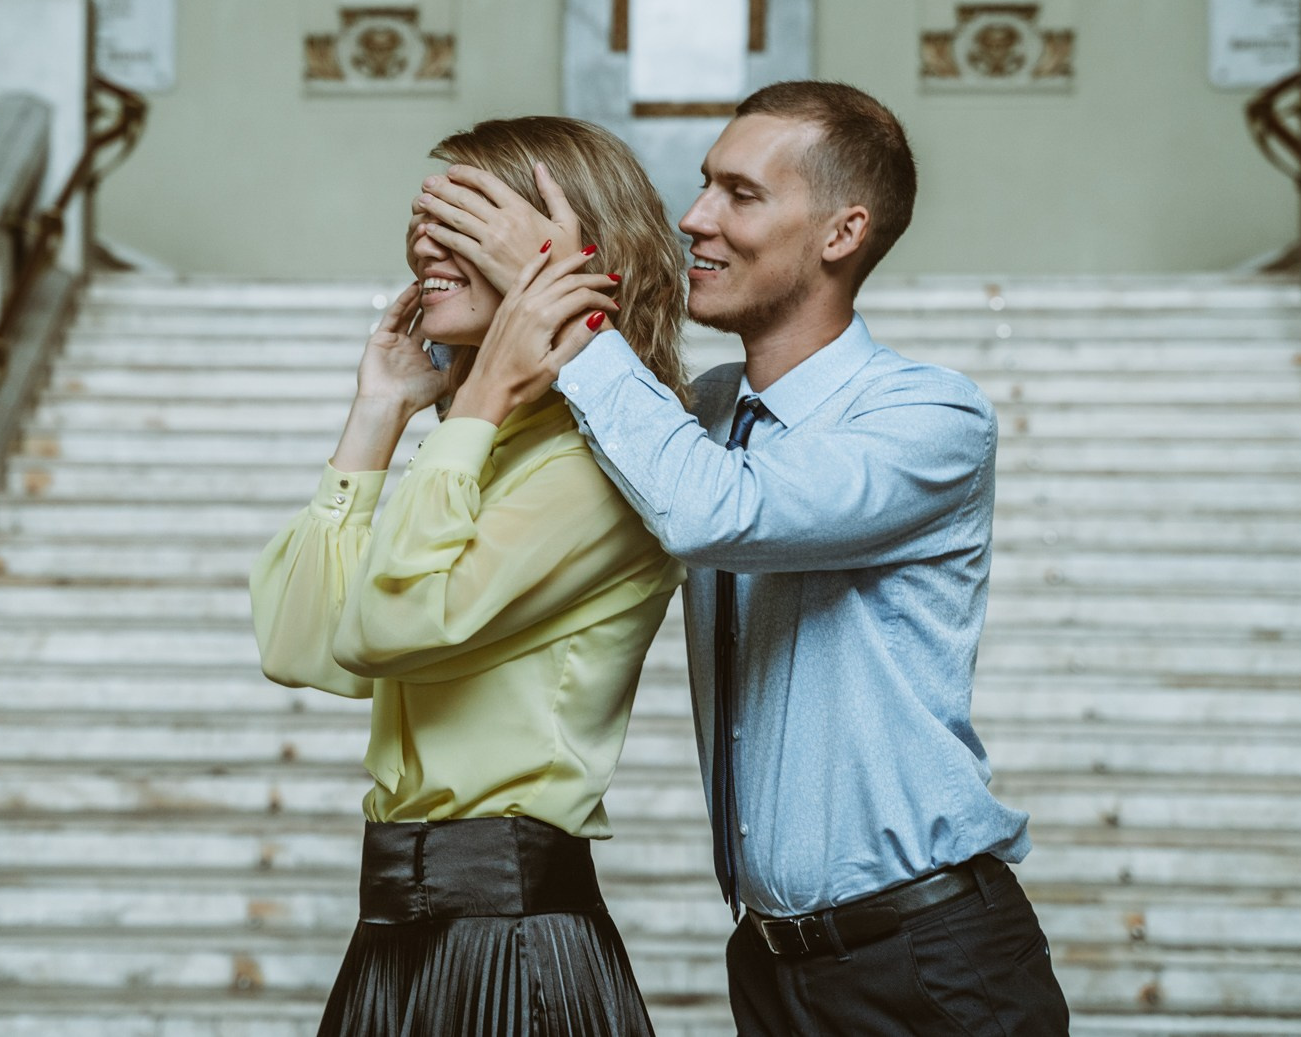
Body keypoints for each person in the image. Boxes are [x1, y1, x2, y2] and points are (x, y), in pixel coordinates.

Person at [411, 81, 1071, 1035]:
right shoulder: (705, 412)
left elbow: (717, 509)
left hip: (931, 961)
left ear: (843, 233)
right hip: (769, 967)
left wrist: (557, 298)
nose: (694, 218)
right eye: (701, 186)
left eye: (740, 193)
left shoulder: (930, 417)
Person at [249, 115, 689, 1037]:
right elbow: (299, 646)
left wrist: (480, 394)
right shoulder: (473, 450)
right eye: (423, 215)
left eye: (465, 217)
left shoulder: (598, 465)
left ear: (562, 258)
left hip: (513, 943)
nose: (423, 243)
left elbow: (385, 627)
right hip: (395, 936)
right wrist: (378, 412)